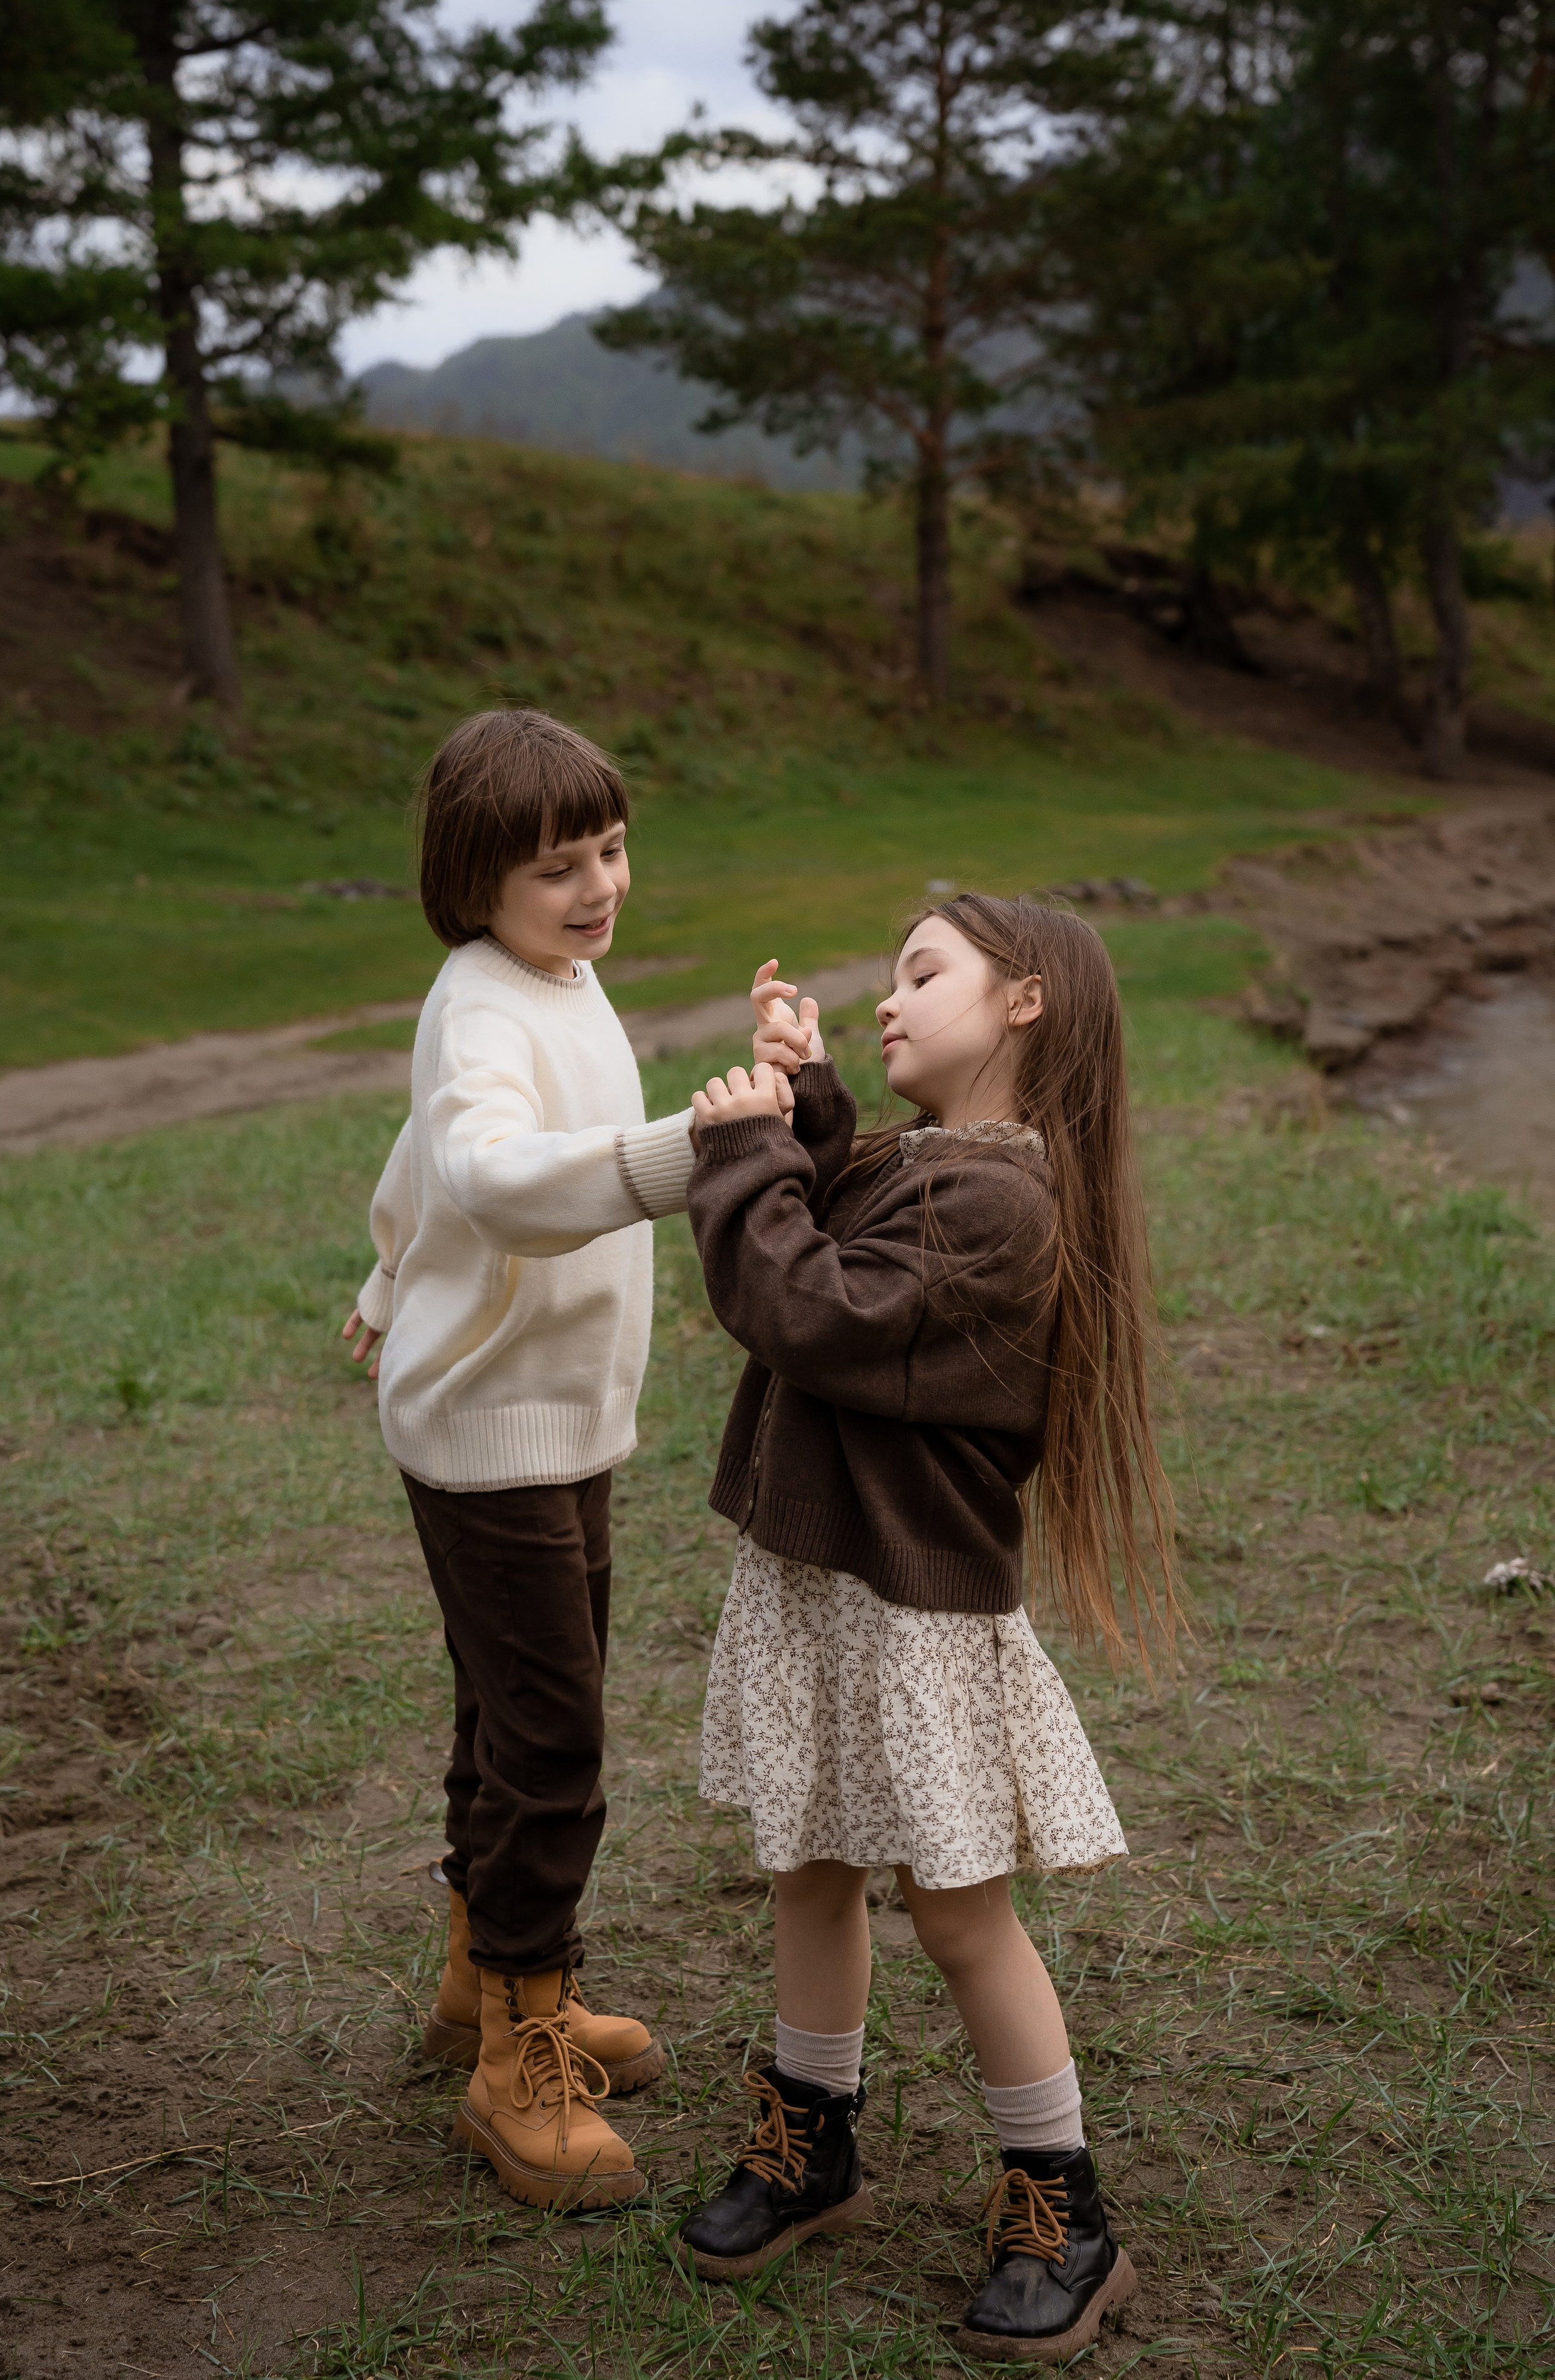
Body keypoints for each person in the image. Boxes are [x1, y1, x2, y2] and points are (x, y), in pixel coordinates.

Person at [676, 895, 1179, 2364]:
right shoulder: (934, 1162)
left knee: (958, 1913)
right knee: (809, 1864)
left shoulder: (1003, 1200)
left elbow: (823, 1312)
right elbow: (849, 1211)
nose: (887, 998)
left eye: (920, 972)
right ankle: (808, 2141)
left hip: (914, 1612)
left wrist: (739, 1155)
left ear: (1023, 1001)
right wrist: (806, 1105)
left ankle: (1060, 2207)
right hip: (824, 1580)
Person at [342, 709, 698, 2213]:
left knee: (510, 1711)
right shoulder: (480, 1003)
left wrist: (384, 1273)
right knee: (553, 1739)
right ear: (472, 880)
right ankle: (516, 2059)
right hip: (485, 1429)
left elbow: (418, 1155)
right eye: (557, 868)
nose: (596, 886)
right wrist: (682, 1154)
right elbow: (482, 1170)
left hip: (561, 1420)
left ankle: (477, 1985)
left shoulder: (557, 978)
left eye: (608, 850)